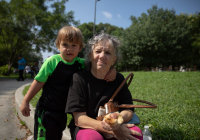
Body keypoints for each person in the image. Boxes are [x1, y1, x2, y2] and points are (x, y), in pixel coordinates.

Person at [20, 26, 116, 140]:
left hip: (63, 112)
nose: (69, 49)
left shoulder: (81, 64)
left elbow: (98, 64)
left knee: (56, 136)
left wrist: (112, 69)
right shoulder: (52, 62)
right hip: (47, 111)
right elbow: (38, 82)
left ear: (80, 48)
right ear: (58, 46)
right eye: (65, 44)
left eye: (74, 45)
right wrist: (26, 101)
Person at [66, 33, 143, 140]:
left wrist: (118, 119)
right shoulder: (79, 78)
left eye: (108, 53)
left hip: (114, 124)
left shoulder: (119, 79)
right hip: (87, 127)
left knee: (135, 134)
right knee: (92, 138)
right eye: (98, 51)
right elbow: (79, 119)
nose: (102, 56)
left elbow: (129, 110)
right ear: (90, 56)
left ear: (114, 60)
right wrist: (110, 129)